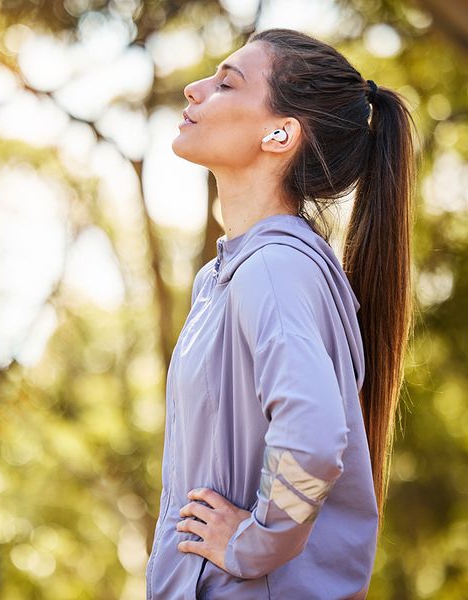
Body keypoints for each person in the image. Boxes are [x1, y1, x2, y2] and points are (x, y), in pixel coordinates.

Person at [145, 28, 416, 599]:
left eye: (225, 83)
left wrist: (254, 543)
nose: (194, 90)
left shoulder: (274, 266)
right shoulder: (229, 275)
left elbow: (313, 437)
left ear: (279, 133)